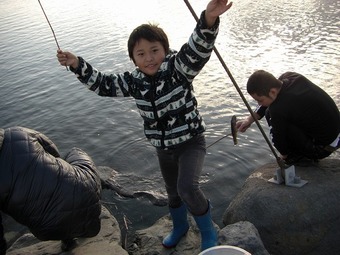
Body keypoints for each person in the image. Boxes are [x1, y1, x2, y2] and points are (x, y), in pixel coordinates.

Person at [56, 0, 233, 251]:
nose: (149, 58)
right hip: (163, 148)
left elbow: (197, 49)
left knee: (187, 187)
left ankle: (207, 230)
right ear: (133, 59)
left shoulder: (177, 69)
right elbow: (103, 84)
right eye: (141, 54)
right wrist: (76, 64)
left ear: (165, 49)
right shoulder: (133, 81)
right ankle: (180, 226)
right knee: (172, 193)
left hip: (191, 142)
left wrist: (208, 20)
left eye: (154, 50)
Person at [0, 126, 102, 254]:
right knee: (74, 151)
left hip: (47, 230)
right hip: (86, 197)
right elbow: (53, 151)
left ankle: (68, 241)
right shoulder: (16, 133)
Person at [236, 70, 340, 165]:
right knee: (273, 108)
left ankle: (297, 157)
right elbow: (268, 101)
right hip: (335, 136)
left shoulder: (279, 108)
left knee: (270, 114)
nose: (259, 103)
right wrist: (249, 120)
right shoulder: (290, 77)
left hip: (323, 148)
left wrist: (284, 155)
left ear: (272, 92)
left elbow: (278, 139)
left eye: (260, 100)